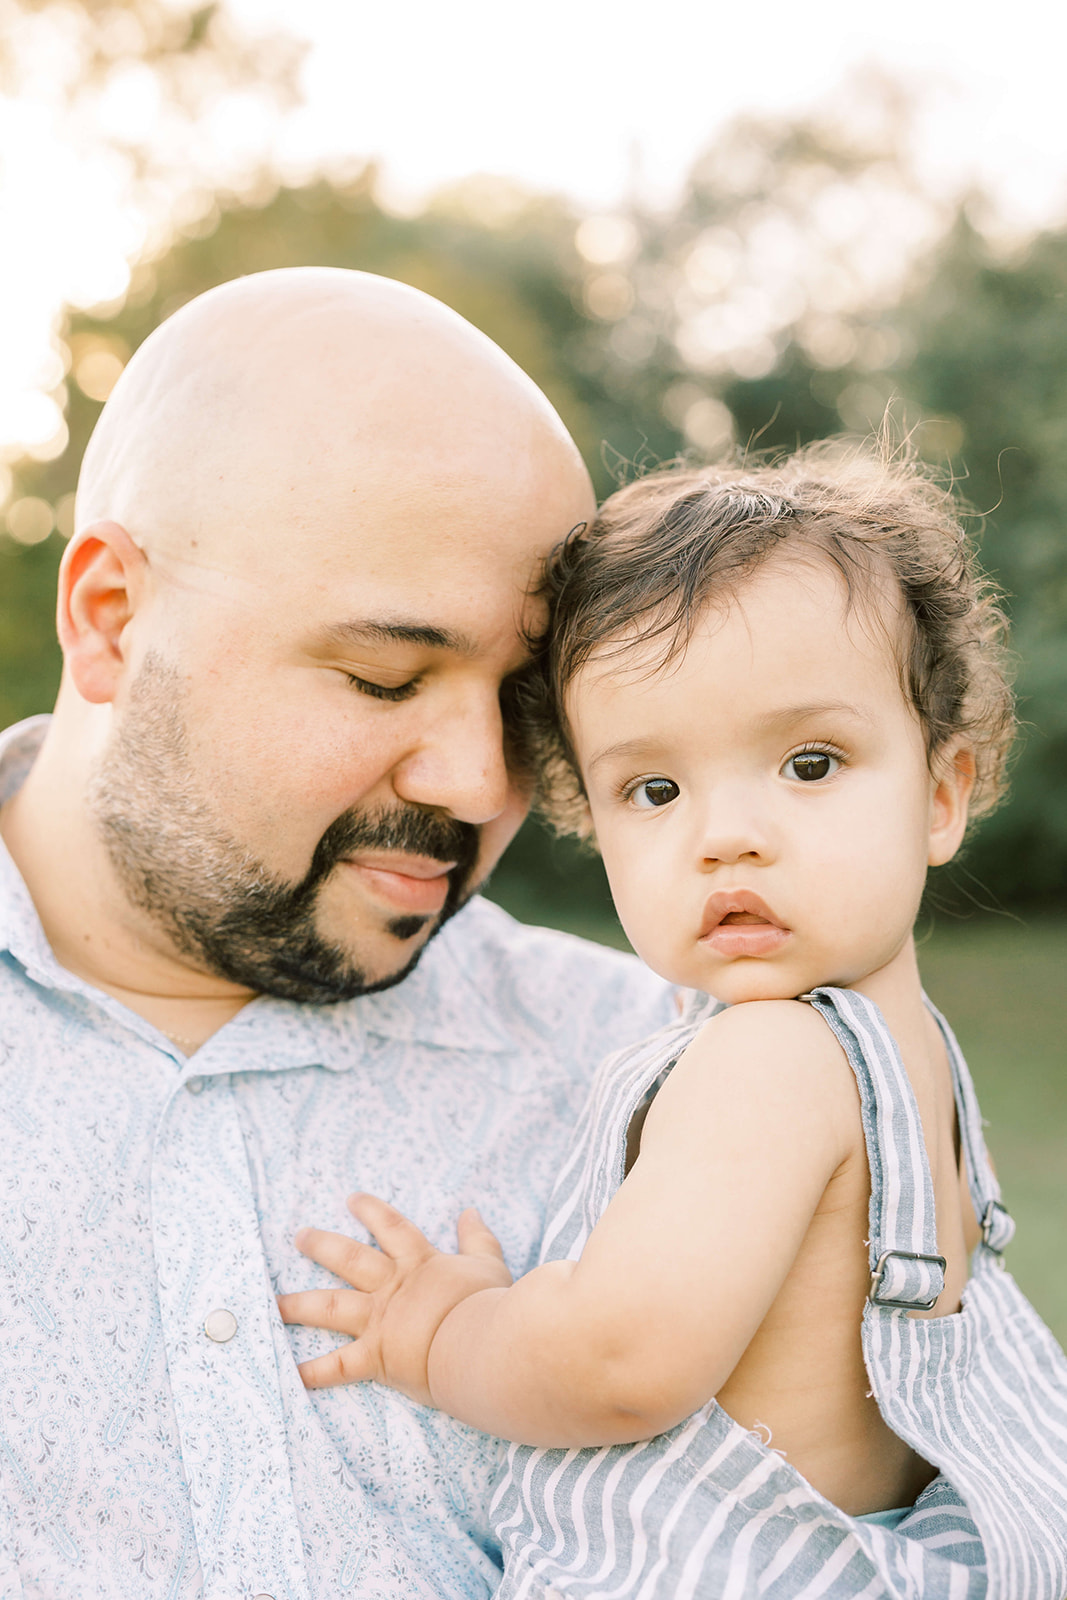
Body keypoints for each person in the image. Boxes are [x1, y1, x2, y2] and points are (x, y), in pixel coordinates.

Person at [279, 447, 1067, 1599]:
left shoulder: (769, 1054)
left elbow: (616, 1360)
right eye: (654, 789)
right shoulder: (914, 1063)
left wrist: (445, 1333)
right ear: (589, 818)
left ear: (940, 791)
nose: (724, 833)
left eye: (808, 762)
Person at [0, 267, 676, 1598]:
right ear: (112, 622)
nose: (481, 783)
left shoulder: (650, 1076)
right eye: (383, 677)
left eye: (519, 697)